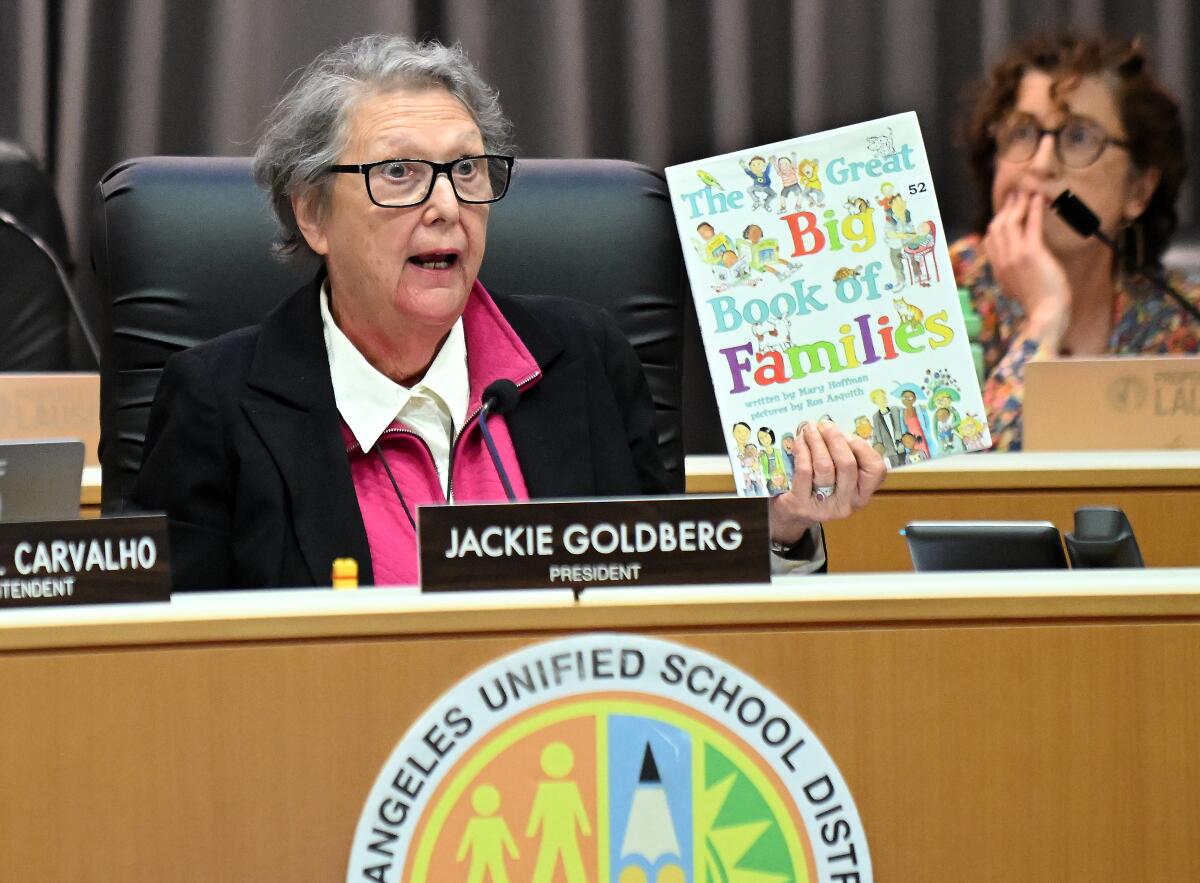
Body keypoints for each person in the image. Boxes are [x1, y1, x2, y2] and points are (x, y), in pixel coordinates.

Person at [131, 35, 885, 590]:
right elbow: (171, 654)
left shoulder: (581, 360)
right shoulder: (219, 402)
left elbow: (673, 599)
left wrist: (784, 524)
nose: (447, 206)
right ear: (313, 214)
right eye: (399, 173)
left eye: (466, 169)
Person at [952, 32, 1200, 451]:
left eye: (1079, 137)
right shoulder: (927, 294)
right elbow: (964, 495)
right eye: (1022, 133)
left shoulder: (1179, 324)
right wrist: (1045, 319)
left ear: (1139, 189)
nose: (1042, 164)